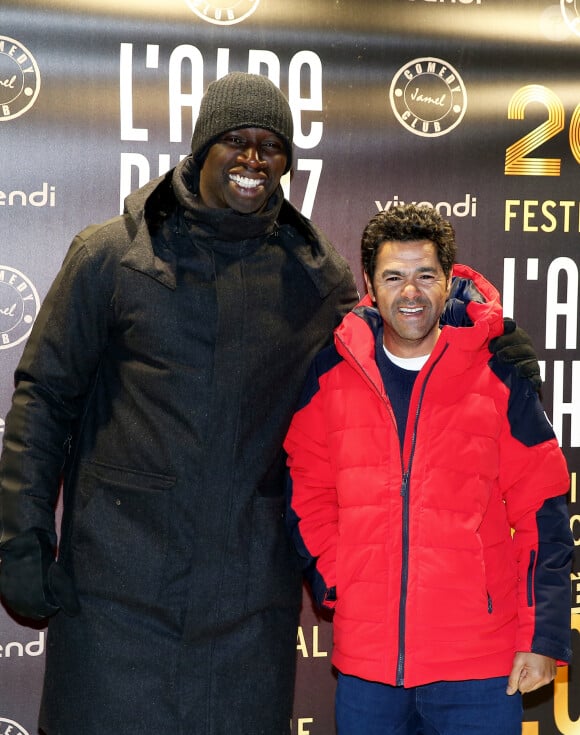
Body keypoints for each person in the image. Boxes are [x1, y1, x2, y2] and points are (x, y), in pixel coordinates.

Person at [0, 74, 542, 734]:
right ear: (203, 148)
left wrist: (483, 332)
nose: (253, 159)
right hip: (117, 593)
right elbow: (44, 399)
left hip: (246, 603)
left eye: (271, 146)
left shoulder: (312, 274)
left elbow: (391, 325)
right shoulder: (111, 255)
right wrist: (22, 540)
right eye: (236, 140)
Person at [284, 204, 573, 735]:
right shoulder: (333, 371)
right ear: (370, 283)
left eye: (425, 275)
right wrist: (338, 579)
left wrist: (541, 637)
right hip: (369, 671)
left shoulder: (499, 374)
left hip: (479, 670)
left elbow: (546, 512)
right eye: (394, 276)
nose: (410, 292)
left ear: (448, 282)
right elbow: (306, 489)